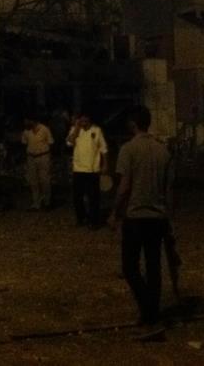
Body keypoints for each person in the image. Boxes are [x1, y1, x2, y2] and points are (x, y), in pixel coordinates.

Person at [109, 106, 172, 327]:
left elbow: (124, 187)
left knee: (130, 267)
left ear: (133, 124)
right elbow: (168, 189)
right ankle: (151, 311)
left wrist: (115, 212)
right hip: (158, 216)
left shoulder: (128, 150)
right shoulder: (163, 151)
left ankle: (148, 309)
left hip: (135, 216)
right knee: (154, 266)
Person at [66, 113, 108, 228]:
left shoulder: (97, 130)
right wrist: (76, 128)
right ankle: (81, 218)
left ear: (89, 120)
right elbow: (69, 143)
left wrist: (105, 164)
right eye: (81, 120)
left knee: (93, 197)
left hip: (92, 169)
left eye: (85, 120)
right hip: (78, 168)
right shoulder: (74, 130)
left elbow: (103, 148)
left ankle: (94, 221)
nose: (83, 122)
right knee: (77, 197)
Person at [21, 116, 54, 210]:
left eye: (27, 121)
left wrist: (49, 157)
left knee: (45, 180)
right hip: (31, 157)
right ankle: (36, 203)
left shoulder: (44, 129)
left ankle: (47, 202)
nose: (25, 123)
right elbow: (24, 143)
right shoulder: (26, 131)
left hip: (43, 156)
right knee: (33, 181)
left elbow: (51, 142)